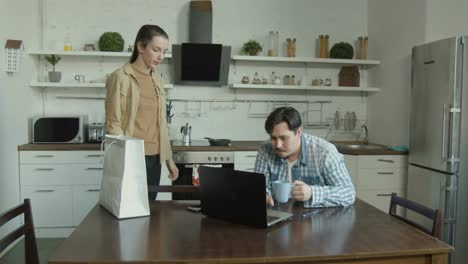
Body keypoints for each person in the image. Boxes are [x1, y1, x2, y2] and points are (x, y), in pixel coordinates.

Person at [105, 24, 178, 200]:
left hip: (155, 158)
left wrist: (169, 160)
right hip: (132, 156)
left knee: (149, 210)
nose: (161, 57)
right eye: (156, 50)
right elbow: (113, 123)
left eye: (164, 51)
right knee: (128, 212)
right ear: (140, 47)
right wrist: (123, 160)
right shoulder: (120, 77)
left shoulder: (157, 80)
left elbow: (161, 123)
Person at [254, 107, 355, 207]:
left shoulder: (325, 152)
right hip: (278, 216)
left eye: (283, 138)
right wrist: (264, 195)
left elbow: (348, 193)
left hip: (316, 220)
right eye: (273, 138)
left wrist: (312, 192)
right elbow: (260, 188)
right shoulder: (265, 150)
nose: (278, 145)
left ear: (298, 132)